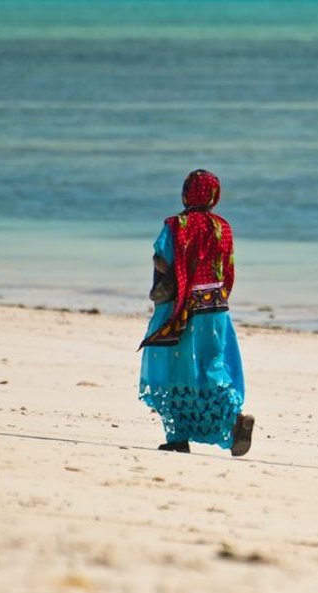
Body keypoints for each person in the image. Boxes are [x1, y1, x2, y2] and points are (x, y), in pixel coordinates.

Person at [138, 169, 254, 456]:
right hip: (214, 308)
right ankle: (232, 417)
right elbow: (227, 269)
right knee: (212, 365)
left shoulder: (176, 225)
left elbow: (162, 261)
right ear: (215, 196)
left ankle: (177, 436)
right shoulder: (223, 227)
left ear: (185, 192)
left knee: (175, 369)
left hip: (179, 309)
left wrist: (162, 299)